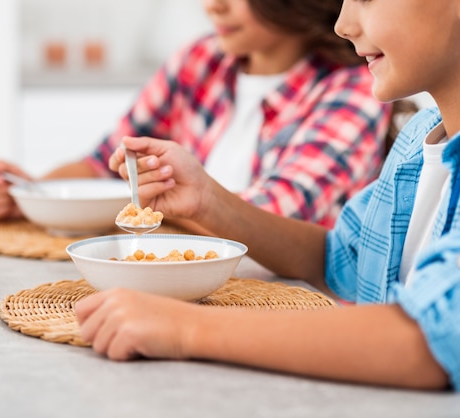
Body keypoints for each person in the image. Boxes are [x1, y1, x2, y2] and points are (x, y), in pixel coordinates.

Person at [74, 0, 459, 391]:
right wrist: (209, 201)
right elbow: (336, 258)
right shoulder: (418, 141)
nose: (342, 25)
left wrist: (180, 327)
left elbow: (431, 341)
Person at [0, 0, 396, 230]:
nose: (213, 6)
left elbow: (272, 219)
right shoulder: (201, 58)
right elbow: (101, 163)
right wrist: (33, 194)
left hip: (286, 302)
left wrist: (148, 204)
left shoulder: (351, 89)